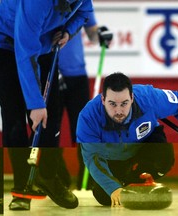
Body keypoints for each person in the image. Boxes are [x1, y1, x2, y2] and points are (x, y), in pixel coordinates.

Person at [0, 0, 95, 210]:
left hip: (45, 42)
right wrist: (35, 104)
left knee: (51, 115)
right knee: (14, 117)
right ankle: (22, 188)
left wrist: (68, 32)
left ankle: (48, 177)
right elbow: (25, 52)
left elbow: (85, 13)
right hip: (5, 43)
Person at [76, 72, 178, 207]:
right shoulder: (88, 117)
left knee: (163, 158)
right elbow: (92, 157)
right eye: (112, 104)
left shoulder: (148, 98)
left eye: (124, 103)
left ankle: (137, 182)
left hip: (146, 142)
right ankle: (124, 185)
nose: (119, 111)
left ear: (132, 98)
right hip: (113, 156)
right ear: (103, 100)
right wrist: (113, 188)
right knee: (103, 196)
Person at [58, 9, 113, 189]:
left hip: (77, 73)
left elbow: (92, 32)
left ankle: (88, 179)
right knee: (50, 130)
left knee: (84, 130)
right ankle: (56, 179)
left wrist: (101, 34)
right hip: (49, 72)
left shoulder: (80, 3)